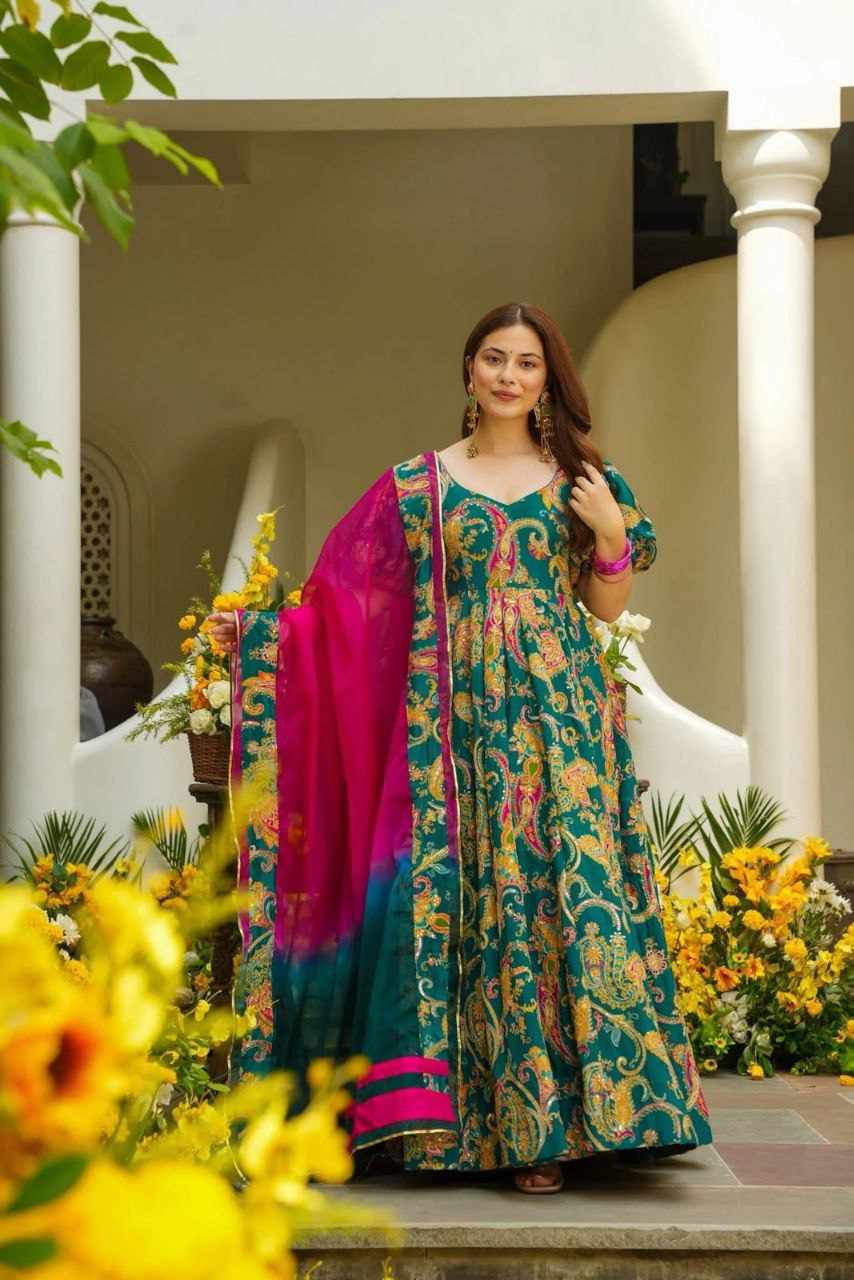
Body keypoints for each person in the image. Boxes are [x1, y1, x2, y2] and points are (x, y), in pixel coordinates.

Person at [208, 301, 713, 1194]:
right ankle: (471, 1131)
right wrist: (262, 638)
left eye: (527, 363)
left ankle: (569, 1124)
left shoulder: (584, 481)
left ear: (547, 381)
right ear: (469, 371)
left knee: (562, 893)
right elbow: (345, 603)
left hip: (562, 721)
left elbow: (604, 607)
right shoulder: (417, 487)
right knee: (472, 904)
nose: (509, 376)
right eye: (495, 359)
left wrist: (607, 532)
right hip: (447, 728)